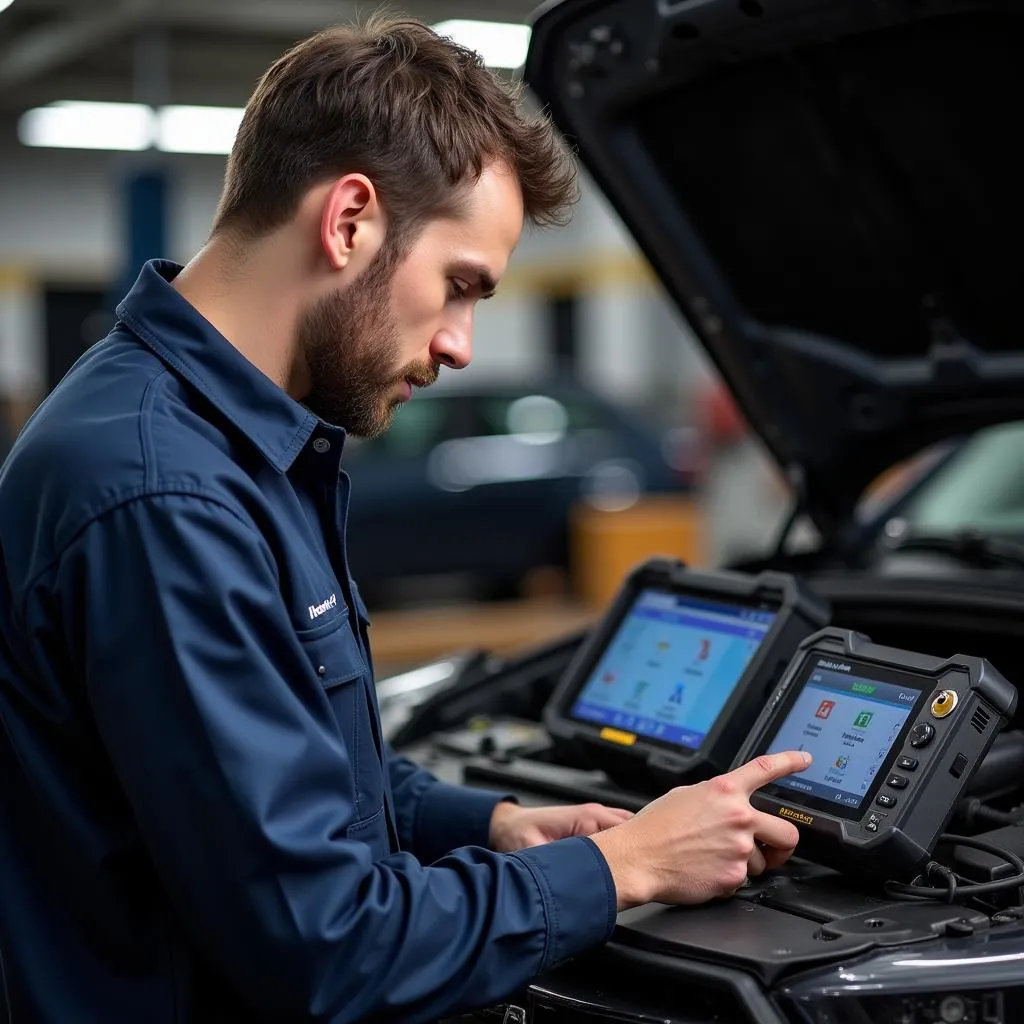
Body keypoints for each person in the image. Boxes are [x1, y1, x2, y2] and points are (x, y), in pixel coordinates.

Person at [0, 15, 811, 1023]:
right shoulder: (167, 493)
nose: (464, 344)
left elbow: (298, 772)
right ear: (350, 221)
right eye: (460, 287)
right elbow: (329, 948)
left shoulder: (223, 442)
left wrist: (494, 822)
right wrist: (623, 866)